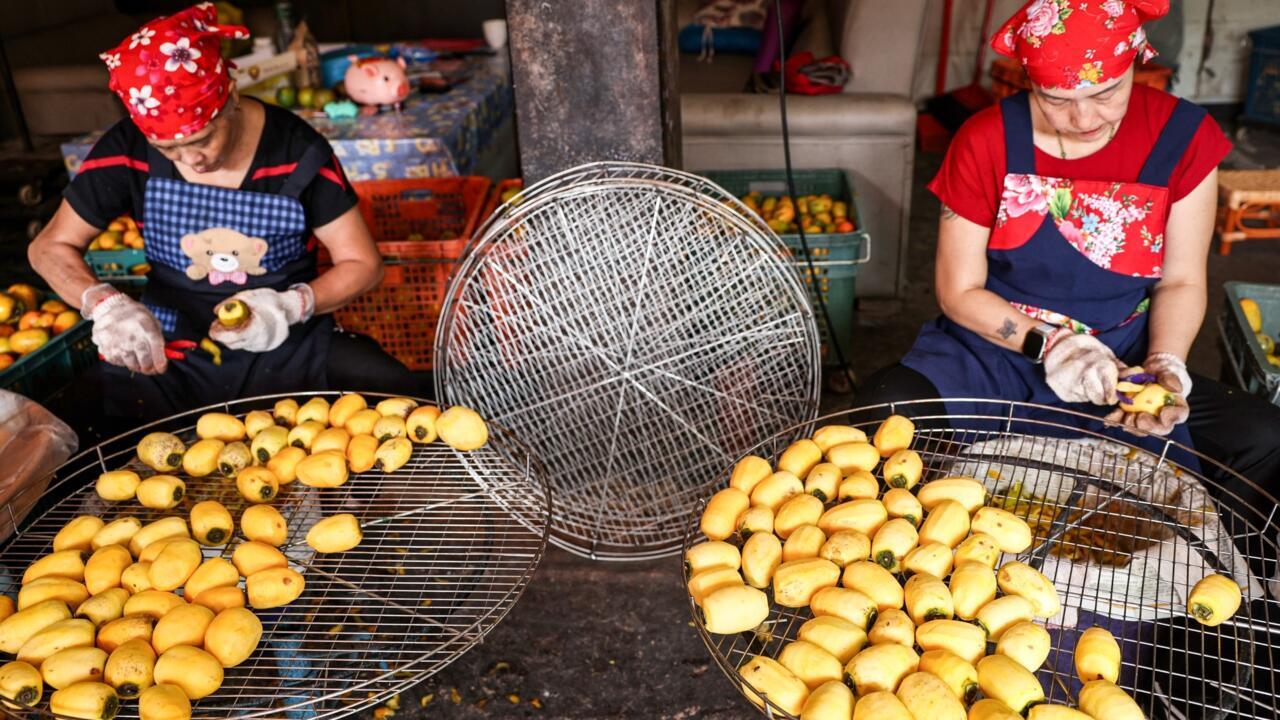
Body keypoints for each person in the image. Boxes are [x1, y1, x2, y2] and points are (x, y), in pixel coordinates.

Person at [856, 0, 1280, 499]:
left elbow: (1182, 280)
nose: (1082, 117)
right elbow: (958, 290)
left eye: (1106, 93)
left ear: (1135, 63)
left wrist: (1166, 361)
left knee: (1264, 439)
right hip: (990, 354)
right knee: (880, 421)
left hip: (1121, 362)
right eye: (1055, 99)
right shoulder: (985, 139)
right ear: (1028, 81)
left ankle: (1231, 574)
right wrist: (1055, 346)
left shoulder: (1184, 137)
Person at [28, 4, 415, 420]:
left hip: (285, 344)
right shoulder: (127, 148)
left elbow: (364, 263)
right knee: (78, 421)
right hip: (170, 347)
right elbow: (49, 247)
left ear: (229, 95)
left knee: (395, 391)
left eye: (203, 138)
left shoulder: (296, 149)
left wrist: (291, 306)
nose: (191, 159)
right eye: (168, 150)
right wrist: (105, 305)